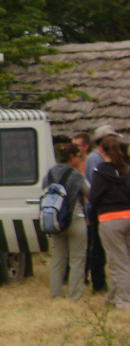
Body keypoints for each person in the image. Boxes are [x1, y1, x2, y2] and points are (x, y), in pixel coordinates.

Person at [43, 144, 89, 300]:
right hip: (75, 219)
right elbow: (89, 192)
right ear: (72, 158)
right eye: (78, 157)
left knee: (57, 259)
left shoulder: (50, 174)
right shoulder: (76, 175)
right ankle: (75, 295)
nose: (80, 160)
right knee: (77, 259)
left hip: (55, 221)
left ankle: (56, 294)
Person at [89, 135, 130, 309]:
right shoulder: (126, 170)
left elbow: (93, 196)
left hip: (110, 219)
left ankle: (125, 300)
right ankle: (113, 298)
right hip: (128, 216)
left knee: (118, 262)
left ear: (102, 151)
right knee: (122, 259)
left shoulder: (101, 171)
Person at [85, 125, 119, 293]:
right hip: (100, 209)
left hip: (104, 208)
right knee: (98, 248)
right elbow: (93, 189)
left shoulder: (100, 159)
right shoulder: (96, 160)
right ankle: (98, 283)